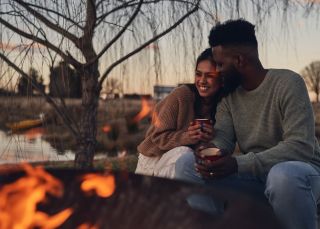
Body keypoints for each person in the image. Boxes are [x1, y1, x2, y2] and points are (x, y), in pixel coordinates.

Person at [175, 19, 320, 229]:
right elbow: (223, 138)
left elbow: (300, 147)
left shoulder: (288, 83)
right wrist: (208, 151)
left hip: (302, 175)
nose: (217, 71)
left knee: (283, 175)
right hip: (255, 178)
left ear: (240, 61)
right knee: (186, 165)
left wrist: (237, 164)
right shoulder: (229, 97)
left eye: (220, 64)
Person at [135, 48, 237, 179]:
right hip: (154, 158)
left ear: (221, 79)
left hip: (184, 161)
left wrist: (210, 138)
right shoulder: (182, 95)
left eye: (210, 76)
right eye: (198, 74)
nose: (202, 80)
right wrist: (188, 136)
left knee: (192, 160)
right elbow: (157, 137)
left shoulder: (224, 104)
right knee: (185, 154)